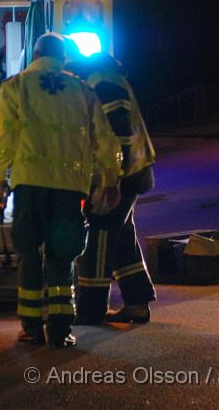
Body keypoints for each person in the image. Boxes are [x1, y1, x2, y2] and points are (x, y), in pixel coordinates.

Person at [0, 33, 122, 347]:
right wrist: (111, 179)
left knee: (30, 254)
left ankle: (31, 327)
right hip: (68, 188)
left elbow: (4, 135)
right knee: (62, 257)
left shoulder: (16, 86)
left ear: (34, 55)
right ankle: (61, 329)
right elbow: (104, 139)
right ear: (63, 58)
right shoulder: (82, 90)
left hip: (30, 185)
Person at [65, 40, 157, 324]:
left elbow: (118, 135)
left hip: (122, 175)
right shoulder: (101, 78)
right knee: (121, 237)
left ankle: (91, 309)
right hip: (129, 172)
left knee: (99, 236)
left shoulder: (102, 82)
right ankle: (137, 304)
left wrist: (110, 181)